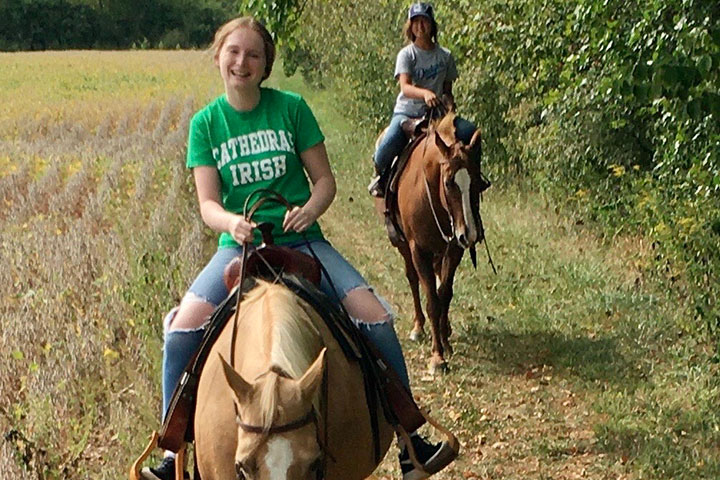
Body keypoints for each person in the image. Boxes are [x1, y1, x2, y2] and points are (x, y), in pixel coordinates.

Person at [141, 15, 457, 480]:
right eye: (233, 52)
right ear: (219, 58)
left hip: (302, 241)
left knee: (376, 319)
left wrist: (310, 209)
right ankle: (173, 453)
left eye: (253, 54)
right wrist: (232, 221)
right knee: (181, 333)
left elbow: (325, 182)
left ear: (266, 63)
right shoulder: (206, 124)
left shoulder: (291, 108)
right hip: (239, 248)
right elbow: (208, 204)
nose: (242, 62)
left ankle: (411, 440)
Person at [369, 2, 480, 197]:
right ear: (410, 26)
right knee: (385, 150)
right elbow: (405, 87)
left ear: (432, 25)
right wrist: (425, 94)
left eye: (424, 21)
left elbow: (447, 89)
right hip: (408, 113)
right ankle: (382, 180)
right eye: (416, 22)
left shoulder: (445, 56)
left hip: (437, 115)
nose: (420, 26)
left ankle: (474, 178)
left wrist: (448, 103)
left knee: (471, 133)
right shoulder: (407, 54)